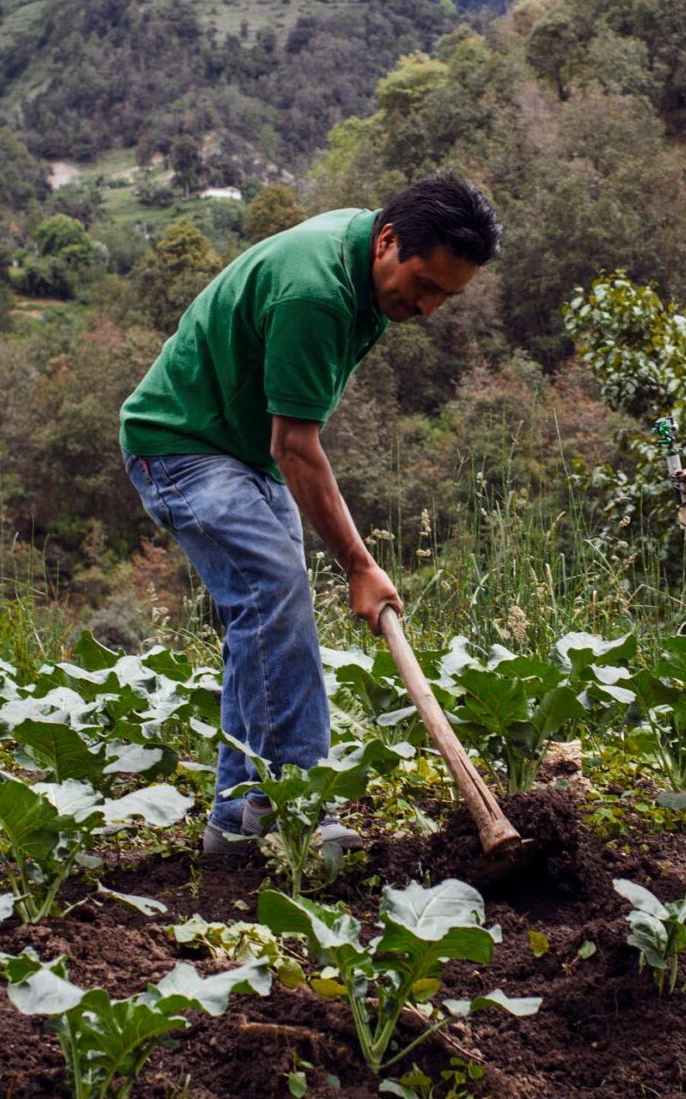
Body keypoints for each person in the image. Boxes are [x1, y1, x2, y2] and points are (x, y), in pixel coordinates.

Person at [118, 174, 500, 855]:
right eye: (426, 284)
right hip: (181, 445)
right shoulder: (317, 291)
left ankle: (239, 823)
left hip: (243, 453)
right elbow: (295, 444)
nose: (432, 306)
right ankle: (294, 806)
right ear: (388, 240)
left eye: (448, 293)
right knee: (274, 592)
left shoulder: (371, 273)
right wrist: (360, 564)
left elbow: (287, 438)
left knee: (264, 613)